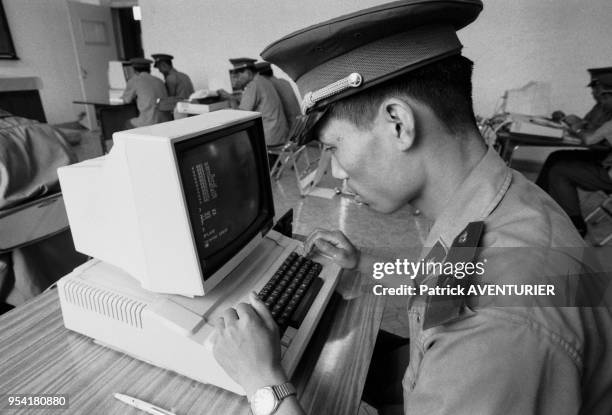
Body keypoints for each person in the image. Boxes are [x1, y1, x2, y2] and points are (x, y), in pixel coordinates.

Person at [209, 1, 612, 415]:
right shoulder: (502, 200)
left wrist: (264, 385)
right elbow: (455, 283)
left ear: (398, 123)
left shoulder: (497, 327)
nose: (338, 172)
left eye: (334, 147)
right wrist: (364, 266)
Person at [536, 70, 612, 235]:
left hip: (606, 165)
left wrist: (578, 126)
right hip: (604, 159)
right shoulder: (601, 108)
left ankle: (576, 225)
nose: (595, 94)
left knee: (560, 170)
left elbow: (590, 138)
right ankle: (540, 199)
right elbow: (589, 128)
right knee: (557, 157)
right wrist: (579, 125)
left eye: (604, 94)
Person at [217, 58, 289, 148]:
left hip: (269, 136)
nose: (237, 80)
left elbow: (241, 115)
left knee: (235, 143)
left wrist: (230, 99)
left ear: (247, 72)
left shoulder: (253, 85)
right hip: (279, 132)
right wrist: (233, 97)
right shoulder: (262, 80)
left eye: (238, 76)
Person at [120, 58, 172, 127]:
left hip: (150, 121)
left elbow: (126, 100)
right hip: (165, 120)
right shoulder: (159, 81)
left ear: (134, 70)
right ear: (149, 69)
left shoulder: (135, 80)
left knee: (127, 123)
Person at [255, 61, 302, 130]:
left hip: (289, 129)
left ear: (258, 75)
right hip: (300, 123)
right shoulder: (284, 81)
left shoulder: (268, 85)